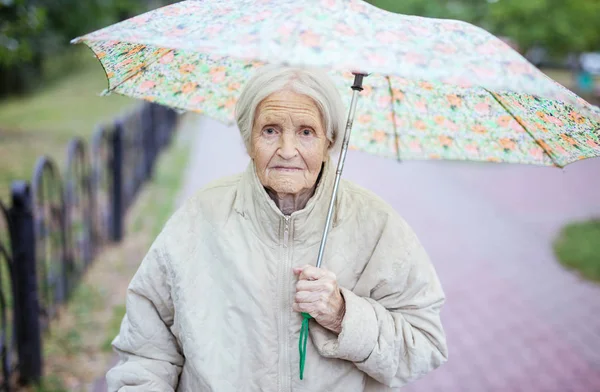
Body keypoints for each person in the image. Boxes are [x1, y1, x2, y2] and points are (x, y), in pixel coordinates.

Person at [106, 65, 448, 391]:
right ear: (248, 140)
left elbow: (423, 345)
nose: (287, 150)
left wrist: (344, 314)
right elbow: (146, 350)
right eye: (270, 131)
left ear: (330, 143)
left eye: (306, 132)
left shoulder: (377, 224)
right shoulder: (200, 217)